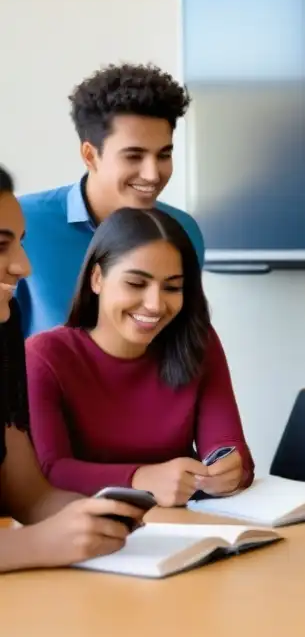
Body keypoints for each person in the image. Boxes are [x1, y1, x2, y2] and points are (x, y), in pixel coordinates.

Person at [24, 206, 253, 507]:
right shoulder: (44, 356)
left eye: (172, 287)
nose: (155, 305)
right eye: (136, 284)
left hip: (187, 529)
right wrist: (140, 478)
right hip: (85, 533)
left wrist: (228, 469)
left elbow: (232, 451)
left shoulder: (198, 341)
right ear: (97, 279)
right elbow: (50, 472)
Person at [0, 166, 146, 573]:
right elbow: (34, 534)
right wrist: (33, 545)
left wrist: (97, 516)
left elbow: (30, 496)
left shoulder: (4, 329)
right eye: (0, 246)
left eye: (21, 245)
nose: (22, 267)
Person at [15, 62, 204, 337]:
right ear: (90, 156)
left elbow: (183, 338)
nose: (153, 175)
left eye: (163, 154)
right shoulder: (21, 224)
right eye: (133, 156)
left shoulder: (184, 230)